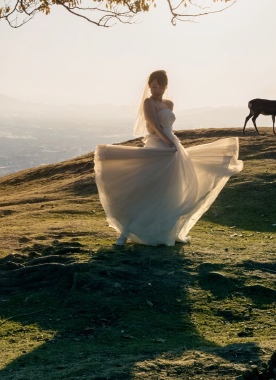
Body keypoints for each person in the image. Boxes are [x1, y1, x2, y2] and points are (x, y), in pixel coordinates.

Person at [94, 70, 242, 247]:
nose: (154, 89)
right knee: (146, 190)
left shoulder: (169, 104)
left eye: (158, 85)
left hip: (173, 147)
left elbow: (168, 127)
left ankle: (169, 232)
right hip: (158, 146)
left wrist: (173, 144)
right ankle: (124, 234)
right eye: (152, 85)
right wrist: (168, 143)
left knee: (172, 191)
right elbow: (154, 126)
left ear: (165, 86)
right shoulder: (148, 102)